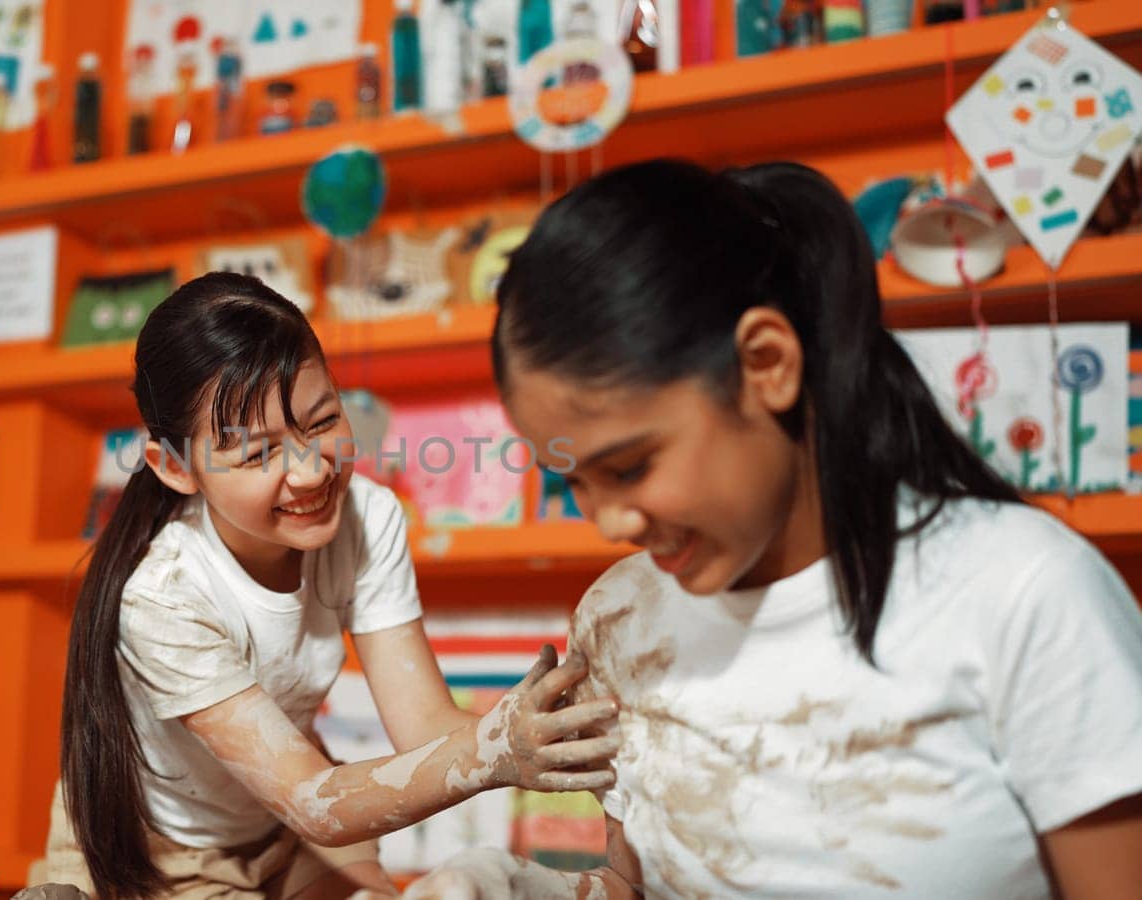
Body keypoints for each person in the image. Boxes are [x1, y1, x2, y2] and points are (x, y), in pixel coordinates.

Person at [405, 158, 1142, 898]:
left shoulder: (1027, 594)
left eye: (629, 468)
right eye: (573, 481)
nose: (608, 522)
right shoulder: (618, 618)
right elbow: (639, 884)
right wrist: (514, 889)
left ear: (768, 364)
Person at [48, 272, 622, 899]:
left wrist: (531, 727)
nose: (310, 470)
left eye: (321, 422)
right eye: (257, 453)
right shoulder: (165, 595)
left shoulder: (367, 517)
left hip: (291, 823)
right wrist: (493, 750)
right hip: (161, 850)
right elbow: (309, 798)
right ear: (174, 467)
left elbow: (423, 725)